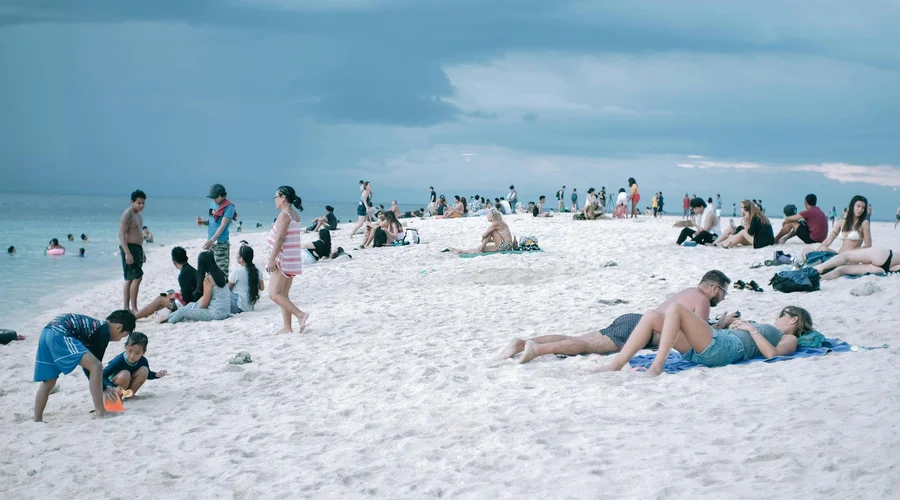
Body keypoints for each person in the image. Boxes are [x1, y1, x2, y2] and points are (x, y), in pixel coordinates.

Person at [501, 270, 737, 363]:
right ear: (714, 288)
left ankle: (522, 343)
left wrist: (719, 322)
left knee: (578, 338)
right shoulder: (702, 300)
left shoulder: (688, 292)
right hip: (640, 330)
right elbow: (703, 337)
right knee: (585, 346)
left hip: (632, 320)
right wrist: (722, 325)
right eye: (723, 293)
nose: (722, 298)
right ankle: (537, 350)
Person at [608, 305, 812, 377]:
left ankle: (656, 367)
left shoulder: (790, 337)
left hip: (724, 348)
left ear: (793, 319)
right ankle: (615, 365)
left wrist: (751, 328)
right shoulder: (775, 331)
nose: (777, 318)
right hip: (715, 344)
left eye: (781, 315)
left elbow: (772, 355)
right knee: (652, 316)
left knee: (676, 309)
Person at [33, 310, 136, 422]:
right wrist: (104, 388)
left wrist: (105, 386)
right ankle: (100, 412)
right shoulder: (104, 332)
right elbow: (94, 367)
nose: (119, 340)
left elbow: (89, 368)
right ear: (119, 327)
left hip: (46, 333)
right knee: (96, 366)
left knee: (49, 382)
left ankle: (37, 420)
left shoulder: (95, 328)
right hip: (59, 333)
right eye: (123, 336)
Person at [266, 185, 309, 333]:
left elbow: (280, 239)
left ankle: (300, 315)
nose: (275, 200)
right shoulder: (294, 214)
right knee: (283, 295)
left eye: (276, 197)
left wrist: (271, 259)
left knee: (274, 294)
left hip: (283, 260)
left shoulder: (284, 215)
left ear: (283, 198)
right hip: (292, 260)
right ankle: (287, 327)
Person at [157, 251, 231, 324]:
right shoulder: (222, 275)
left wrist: (196, 311)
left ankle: (167, 321)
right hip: (225, 312)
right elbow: (205, 298)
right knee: (190, 305)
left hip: (214, 314)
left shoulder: (208, 279)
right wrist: (194, 306)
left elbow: (205, 303)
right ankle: (166, 317)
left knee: (183, 311)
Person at [133, 246, 200, 320]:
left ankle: (134, 317)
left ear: (174, 262)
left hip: (189, 306)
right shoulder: (191, 270)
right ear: (186, 258)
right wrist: (176, 295)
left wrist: (176, 296)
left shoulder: (183, 274)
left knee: (159, 300)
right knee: (165, 299)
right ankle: (144, 313)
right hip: (195, 302)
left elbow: (186, 298)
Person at [801, 195, 871, 263]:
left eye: (863, 207)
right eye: (858, 206)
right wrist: (817, 251)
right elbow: (829, 239)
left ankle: (812, 262)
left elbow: (868, 245)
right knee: (808, 250)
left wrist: (852, 252)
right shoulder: (842, 222)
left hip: (850, 258)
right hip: (839, 255)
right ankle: (810, 261)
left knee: (817, 254)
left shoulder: (864, 223)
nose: (860, 209)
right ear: (852, 206)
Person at [103, 332, 167, 396]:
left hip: (128, 383)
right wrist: (114, 387)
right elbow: (102, 376)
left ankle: (130, 395)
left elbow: (147, 374)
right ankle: (117, 396)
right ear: (126, 347)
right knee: (125, 374)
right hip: (114, 387)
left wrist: (156, 375)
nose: (132, 356)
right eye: (130, 351)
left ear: (143, 352)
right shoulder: (118, 361)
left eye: (137, 353)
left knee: (144, 370)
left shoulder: (143, 361)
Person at [196, 183, 236, 275]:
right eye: (212, 197)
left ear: (222, 196)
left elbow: (222, 225)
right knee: (210, 272)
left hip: (220, 243)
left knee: (222, 272)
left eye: (215, 197)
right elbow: (212, 221)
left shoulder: (229, 207)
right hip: (211, 243)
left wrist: (212, 240)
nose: (213, 199)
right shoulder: (212, 204)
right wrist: (202, 222)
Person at [119, 190, 146, 313]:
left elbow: (138, 234)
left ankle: (127, 308)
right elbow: (121, 234)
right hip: (129, 248)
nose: (141, 205)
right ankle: (132, 308)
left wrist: (142, 251)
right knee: (137, 277)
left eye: (143, 203)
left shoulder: (139, 215)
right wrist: (127, 253)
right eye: (139, 203)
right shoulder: (127, 214)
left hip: (137, 248)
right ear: (132, 202)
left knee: (130, 279)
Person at [446, 208, 513, 254]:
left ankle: (479, 248)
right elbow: (501, 238)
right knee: (484, 248)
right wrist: (487, 240)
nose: (487, 216)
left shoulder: (496, 223)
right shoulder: (499, 222)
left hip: (505, 246)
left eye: (488, 214)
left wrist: (483, 239)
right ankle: (462, 251)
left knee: (490, 232)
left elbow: (484, 234)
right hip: (507, 246)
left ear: (492, 216)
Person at [813, 246, 900, 280]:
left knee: (845, 260)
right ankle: (819, 275)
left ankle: (818, 274)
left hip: (886, 262)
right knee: (843, 266)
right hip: (886, 264)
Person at [229, 244, 265, 314]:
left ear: (241, 258)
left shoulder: (237, 271)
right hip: (249, 305)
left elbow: (228, 287)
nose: (236, 256)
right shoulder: (257, 271)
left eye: (238, 254)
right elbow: (262, 288)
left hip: (237, 304)